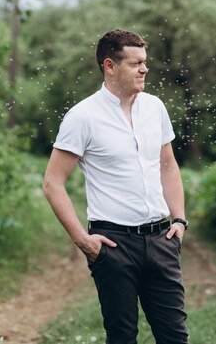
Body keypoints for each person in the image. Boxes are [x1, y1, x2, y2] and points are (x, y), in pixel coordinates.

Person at [43, 29, 189, 344]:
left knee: (175, 337)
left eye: (145, 62)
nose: (144, 69)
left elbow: (168, 165)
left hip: (162, 239)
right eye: (135, 63)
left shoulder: (155, 107)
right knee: (122, 337)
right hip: (113, 244)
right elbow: (52, 183)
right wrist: (83, 240)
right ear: (110, 66)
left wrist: (179, 219)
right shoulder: (82, 117)